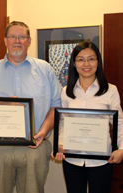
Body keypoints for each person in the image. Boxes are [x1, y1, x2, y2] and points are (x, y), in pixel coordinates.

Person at [0, 21, 61, 193]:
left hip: (35, 147)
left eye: (22, 37)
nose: (17, 41)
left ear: (29, 40)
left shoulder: (45, 70)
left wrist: (42, 133)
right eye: (13, 37)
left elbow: (56, 106)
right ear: (5, 40)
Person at [53, 41, 123, 193]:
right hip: (72, 159)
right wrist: (59, 144)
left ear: (98, 62)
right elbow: (63, 122)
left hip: (101, 160)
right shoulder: (66, 91)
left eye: (91, 59)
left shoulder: (110, 90)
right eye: (80, 59)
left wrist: (122, 148)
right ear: (74, 63)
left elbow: (119, 122)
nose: (86, 63)